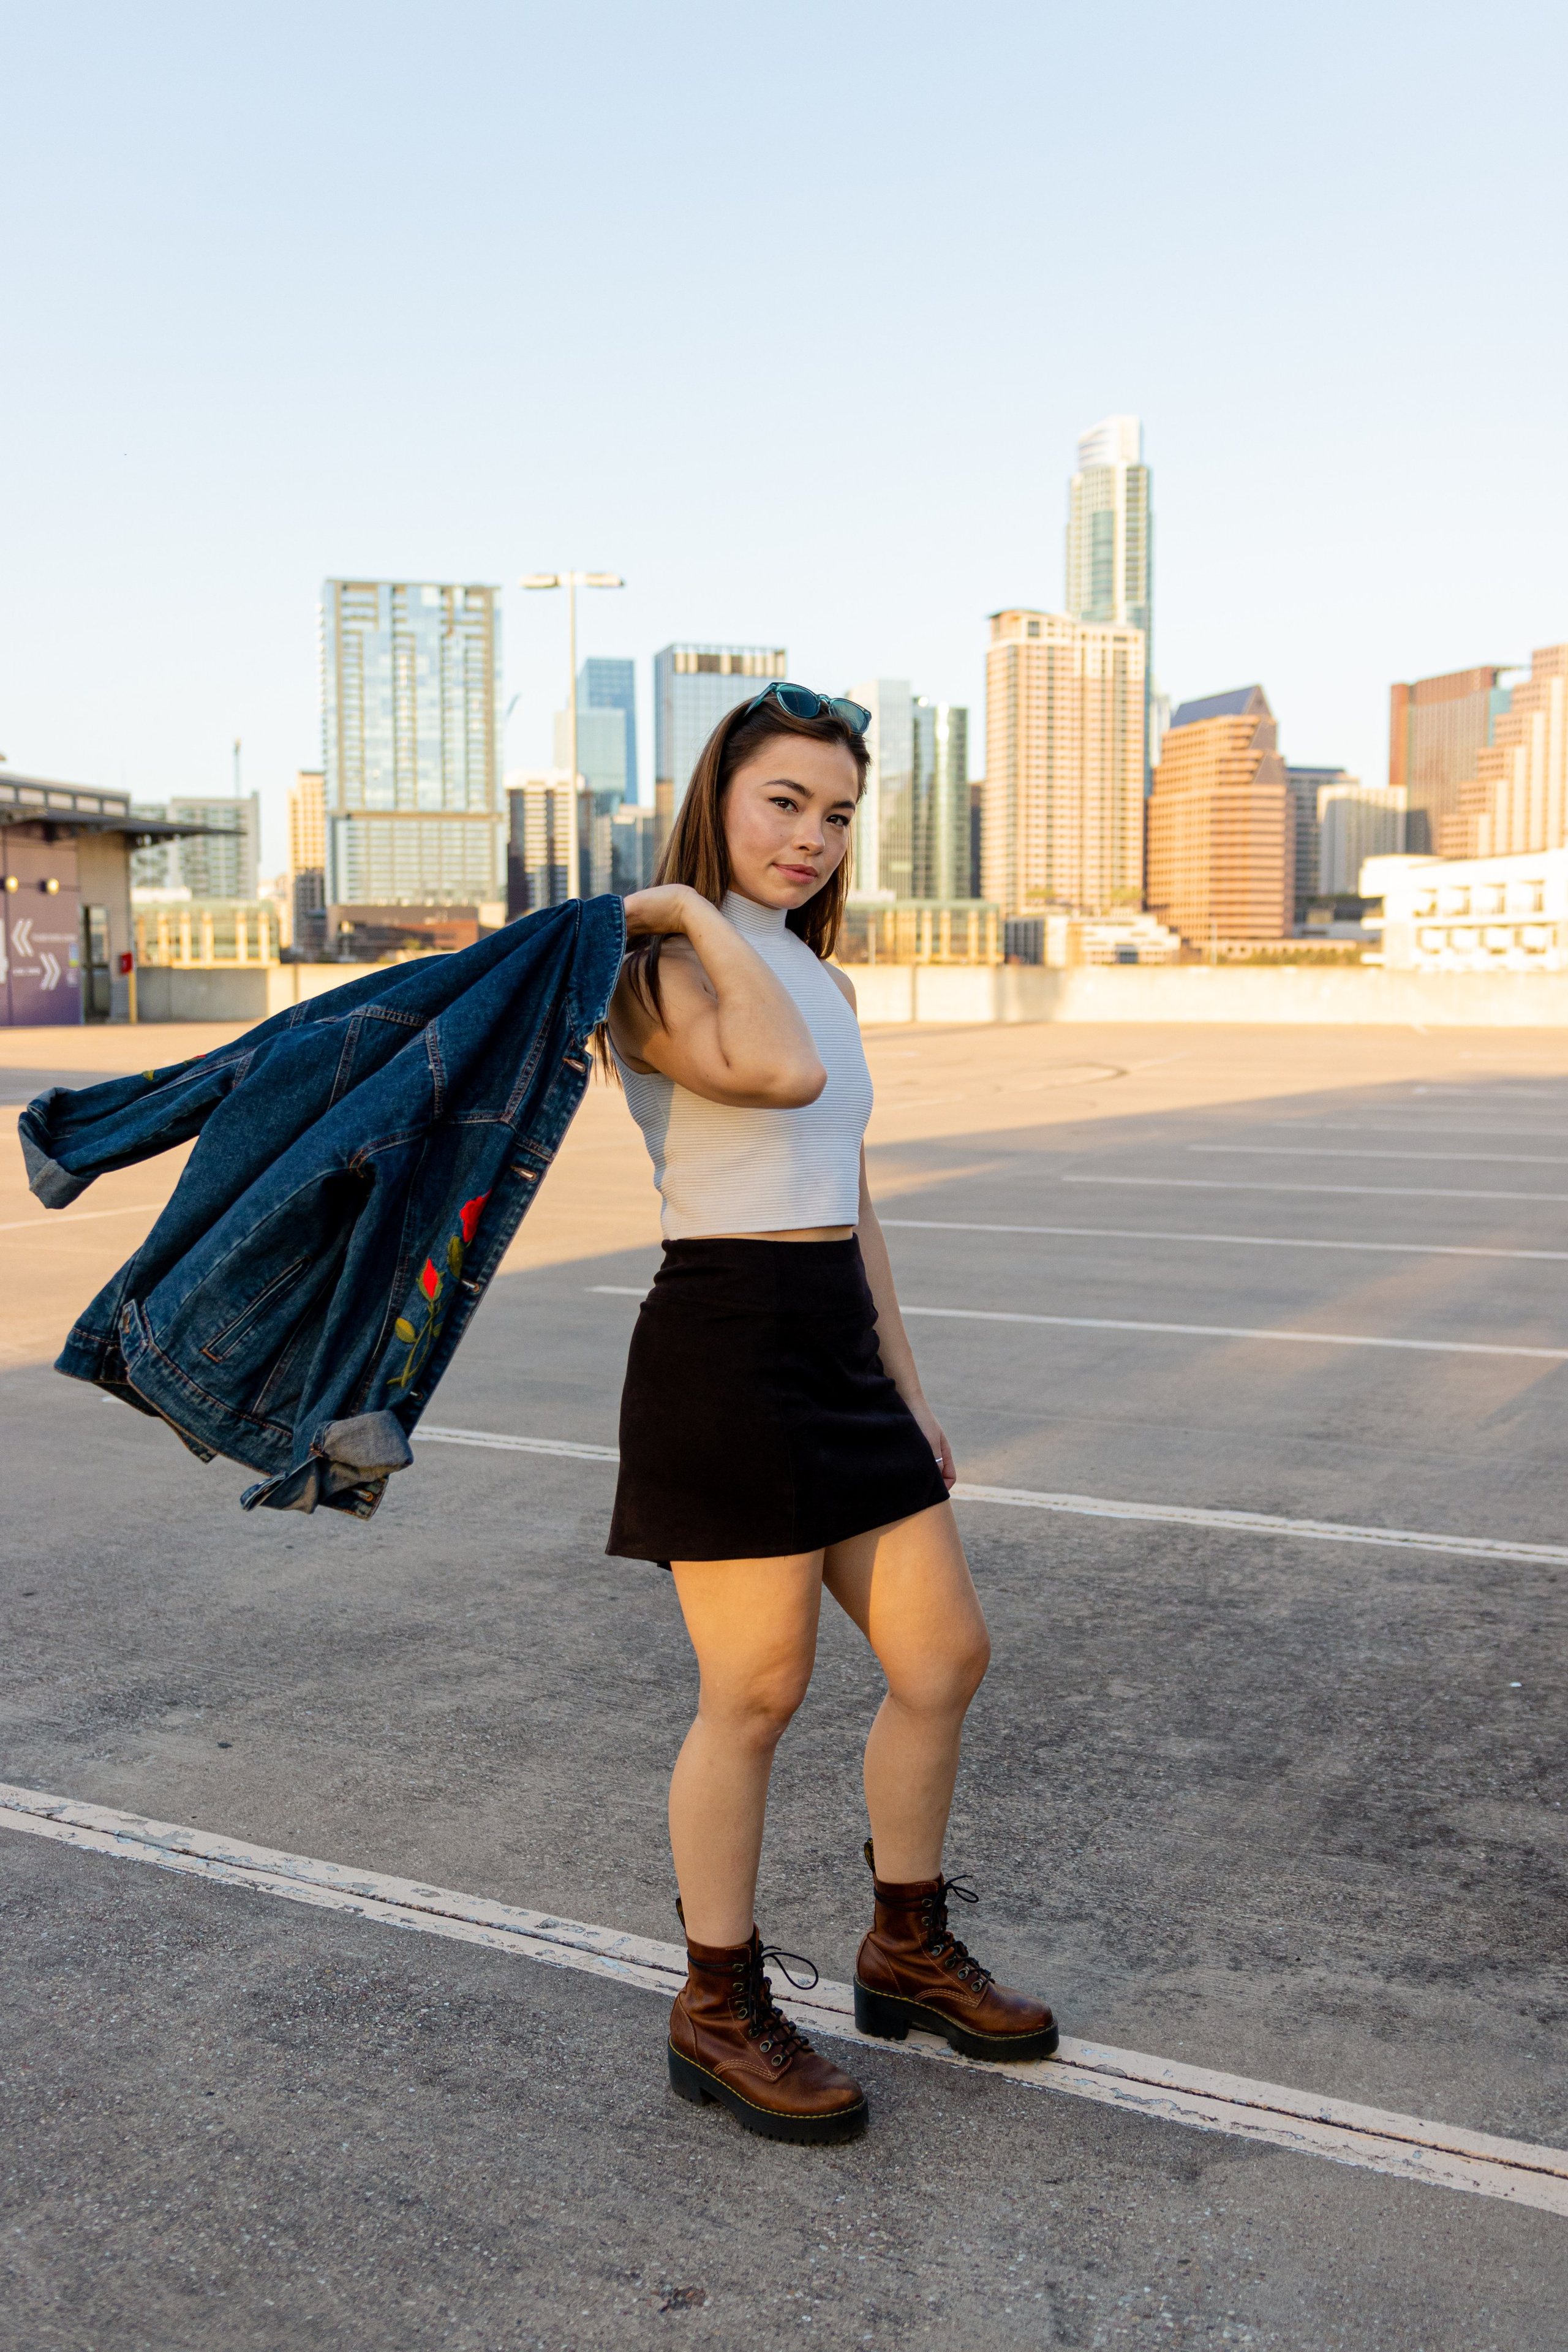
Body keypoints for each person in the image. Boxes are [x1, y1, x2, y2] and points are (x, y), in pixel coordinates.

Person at [604, 683, 1057, 2144]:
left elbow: (845, 1195)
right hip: (722, 1341)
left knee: (942, 1655)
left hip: (833, 1346)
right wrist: (684, 906)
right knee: (755, 1692)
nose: (810, 837)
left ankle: (903, 1950)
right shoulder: (658, 969)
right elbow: (778, 1079)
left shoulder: (824, 976)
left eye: (837, 814)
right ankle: (716, 2005)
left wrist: (908, 1395)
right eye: (781, 803)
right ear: (717, 801)